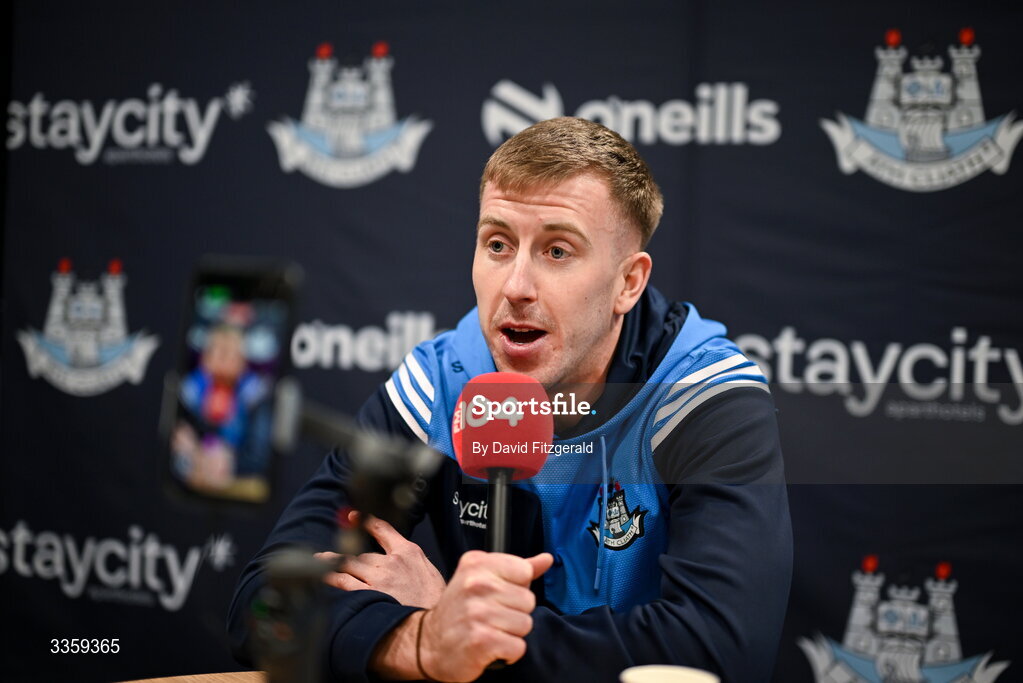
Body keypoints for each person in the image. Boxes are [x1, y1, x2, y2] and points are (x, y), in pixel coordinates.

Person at [228, 117, 792, 682]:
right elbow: (266, 603)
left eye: (557, 251)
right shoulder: (442, 382)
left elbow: (722, 650)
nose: (516, 286)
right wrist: (423, 640)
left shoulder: (700, 396)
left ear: (628, 283)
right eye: (497, 244)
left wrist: (465, 633)